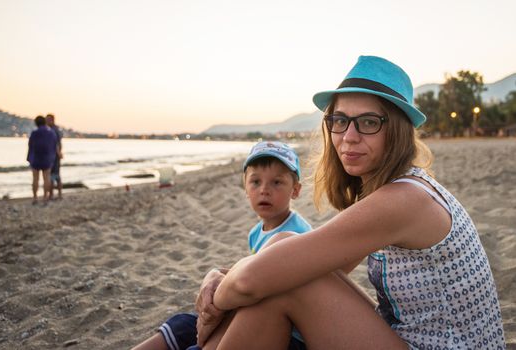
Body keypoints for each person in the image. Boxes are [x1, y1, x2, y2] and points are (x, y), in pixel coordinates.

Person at [198, 56, 506, 349]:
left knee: (282, 285)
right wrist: (221, 277)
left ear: (397, 130)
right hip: (412, 338)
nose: (349, 136)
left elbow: (253, 281)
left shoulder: (403, 201)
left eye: (369, 122)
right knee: (284, 242)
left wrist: (214, 302)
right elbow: (314, 265)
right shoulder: (400, 189)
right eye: (340, 120)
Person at [132, 141, 312, 350]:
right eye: (255, 182)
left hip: (285, 330)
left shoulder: (299, 234)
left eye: (276, 183)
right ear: (245, 188)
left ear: (296, 190)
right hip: (252, 308)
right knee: (181, 324)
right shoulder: (255, 233)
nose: (264, 190)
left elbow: (268, 290)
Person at [27, 115, 57, 204]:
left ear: (36, 123)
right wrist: (52, 157)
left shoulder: (34, 133)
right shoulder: (51, 133)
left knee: (35, 179)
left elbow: (30, 145)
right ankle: (45, 197)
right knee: (46, 178)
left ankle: (35, 198)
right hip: (47, 159)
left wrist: (29, 158)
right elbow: (54, 146)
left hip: (36, 158)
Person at [46, 113, 63, 200]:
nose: (46, 121)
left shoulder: (53, 130)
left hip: (54, 156)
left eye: (48, 119)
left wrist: (58, 153)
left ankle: (52, 195)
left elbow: (56, 143)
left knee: (53, 175)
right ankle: (57, 194)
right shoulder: (54, 129)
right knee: (55, 175)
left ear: (52, 120)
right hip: (54, 155)